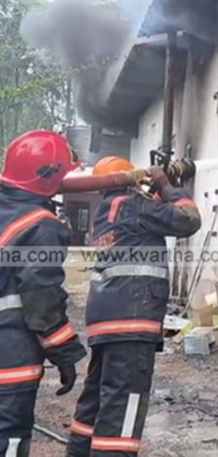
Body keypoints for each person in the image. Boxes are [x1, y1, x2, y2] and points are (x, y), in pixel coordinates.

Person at [66, 157, 202, 457]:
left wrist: (158, 192)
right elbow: (189, 220)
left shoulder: (108, 211)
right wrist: (168, 186)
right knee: (122, 414)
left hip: (106, 322)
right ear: (128, 179)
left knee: (95, 403)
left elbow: (145, 225)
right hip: (131, 321)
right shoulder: (134, 207)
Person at [0, 131, 87, 456]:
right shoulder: (41, 227)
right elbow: (42, 299)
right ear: (49, 178)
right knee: (8, 437)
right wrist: (65, 355)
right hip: (9, 357)